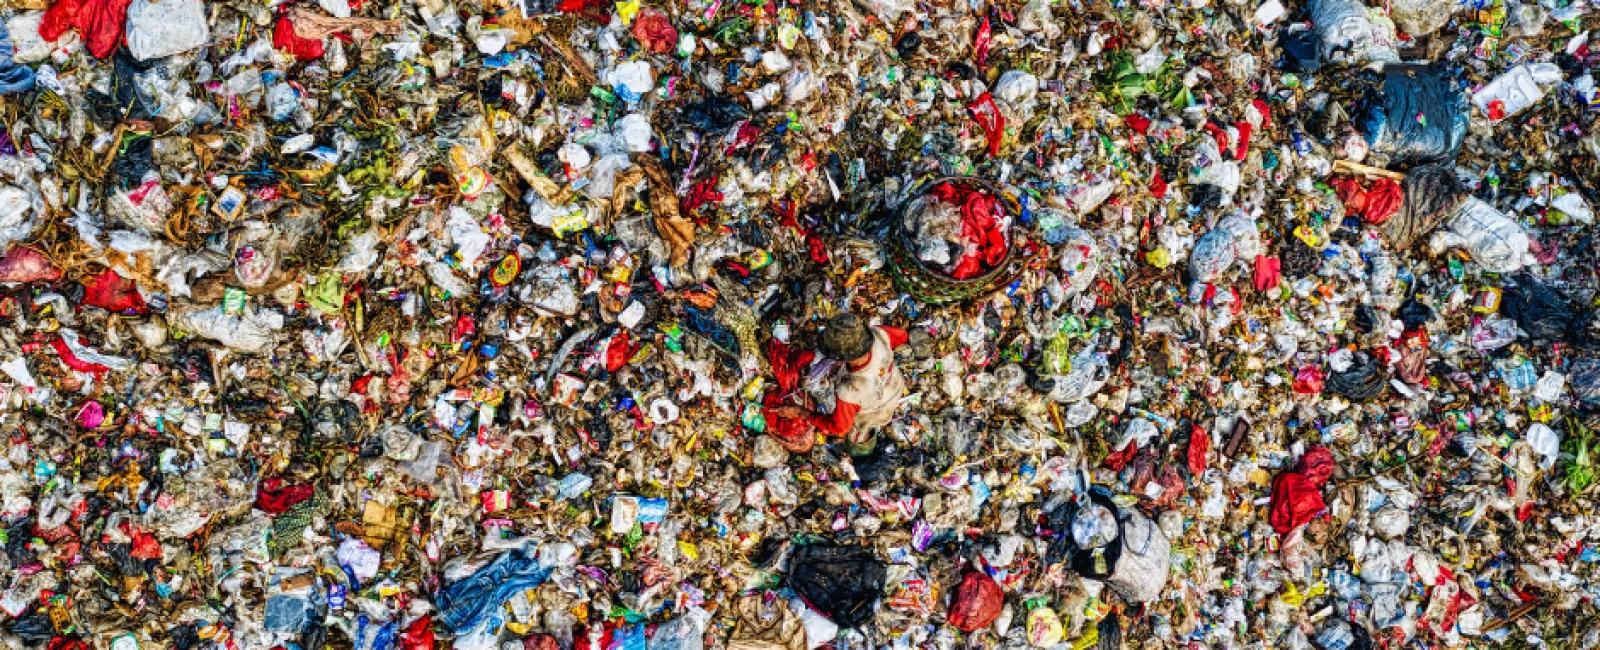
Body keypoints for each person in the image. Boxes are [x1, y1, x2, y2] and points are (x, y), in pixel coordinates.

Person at [763, 313, 909, 455]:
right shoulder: (879, 335)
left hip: (874, 412)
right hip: (895, 387)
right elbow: (902, 335)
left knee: (858, 428)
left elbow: (839, 428)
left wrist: (800, 412)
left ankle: (860, 444)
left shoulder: (850, 391)